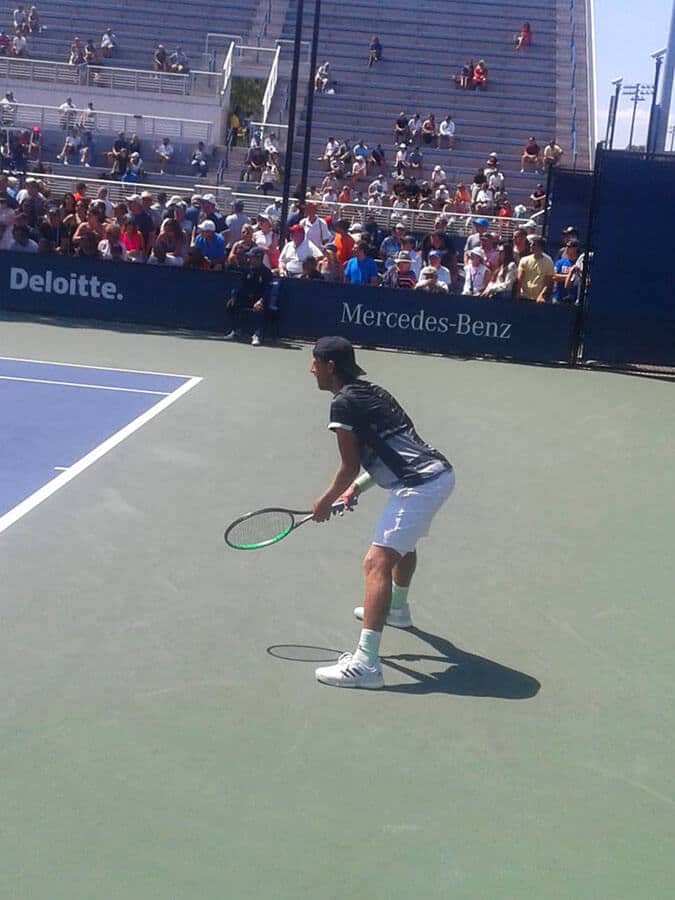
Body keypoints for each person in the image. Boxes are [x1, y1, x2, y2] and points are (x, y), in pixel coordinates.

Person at [310, 337, 455, 689]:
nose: (311, 368)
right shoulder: (374, 392)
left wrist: (325, 500)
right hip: (438, 473)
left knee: (376, 563)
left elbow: (348, 465)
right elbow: (393, 450)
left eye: (315, 362)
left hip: (418, 484)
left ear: (331, 366)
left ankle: (366, 665)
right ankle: (397, 610)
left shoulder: (343, 405)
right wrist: (355, 489)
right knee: (402, 545)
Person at [224, 246, 273, 346]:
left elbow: (268, 290)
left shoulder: (267, 273)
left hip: (260, 300)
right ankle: (236, 330)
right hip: (247, 299)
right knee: (231, 305)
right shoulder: (246, 270)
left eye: (252, 257)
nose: (249, 259)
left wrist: (261, 301)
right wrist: (235, 296)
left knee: (262, 309)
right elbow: (241, 286)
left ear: (259, 258)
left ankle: (257, 335)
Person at [515, 235, 554, 301]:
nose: (531, 246)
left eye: (533, 244)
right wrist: (518, 294)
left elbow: (548, 282)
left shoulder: (549, 261)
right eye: (531, 244)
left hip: (539, 300)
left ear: (540, 246)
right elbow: (519, 279)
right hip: (523, 297)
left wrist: (541, 296)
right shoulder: (524, 260)